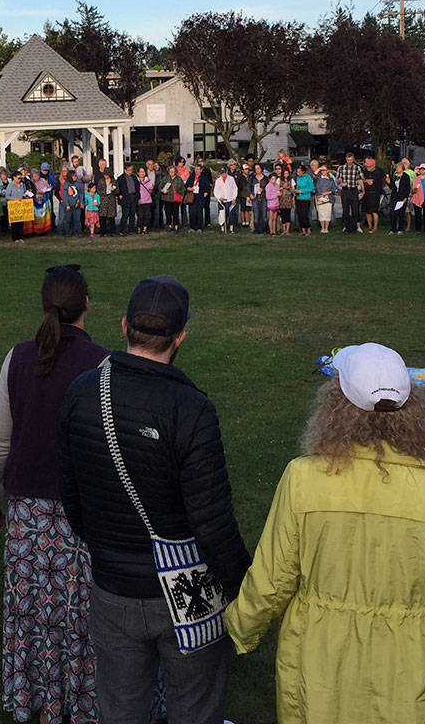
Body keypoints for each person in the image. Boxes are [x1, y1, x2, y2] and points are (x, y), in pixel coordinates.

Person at [228, 343, 425, 723]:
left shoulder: (304, 478)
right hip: (408, 670)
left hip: (320, 663)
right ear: (414, 408)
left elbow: (272, 577)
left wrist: (239, 629)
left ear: (335, 405)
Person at [58, 275, 251, 724]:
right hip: (187, 589)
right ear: (180, 337)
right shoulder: (191, 409)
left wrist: (108, 548)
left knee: (121, 711)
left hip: (113, 587)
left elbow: (72, 498)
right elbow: (213, 524)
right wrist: (246, 587)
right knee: (195, 710)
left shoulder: (81, 392)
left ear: (124, 327)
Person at [0, 267, 107, 724]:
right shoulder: (100, 363)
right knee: (77, 619)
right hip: (78, 514)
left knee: (37, 621)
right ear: (87, 305)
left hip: (36, 516)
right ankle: (76, 705)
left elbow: (2, 444)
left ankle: (45, 706)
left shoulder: (21, 358)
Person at [335, 151, 363, 234]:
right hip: (345, 190)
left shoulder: (357, 168)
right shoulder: (341, 168)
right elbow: (337, 180)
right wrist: (339, 182)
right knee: (345, 209)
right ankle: (346, 227)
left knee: (355, 209)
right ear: (346, 159)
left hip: (354, 190)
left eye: (351, 160)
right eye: (348, 160)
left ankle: (356, 227)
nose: (349, 162)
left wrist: (363, 191)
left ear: (353, 159)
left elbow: (361, 179)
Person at [361, 156, 384, 233]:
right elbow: (362, 180)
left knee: (374, 211)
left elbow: (373, 182)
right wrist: (366, 181)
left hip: (375, 193)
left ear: (373, 165)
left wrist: (367, 181)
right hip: (366, 193)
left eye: (369, 166)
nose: (367, 167)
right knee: (367, 211)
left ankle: (375, 227)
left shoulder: (378, 172)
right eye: (367, 165)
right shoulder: (365, 171)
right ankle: (370, 226)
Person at [313, 164, 335, 233]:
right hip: (320, 198)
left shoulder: (331, 180)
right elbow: (314, 176)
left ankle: (326, 228)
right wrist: (319, 169)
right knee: (321, 213)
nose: (323, 172)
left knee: (327, 213)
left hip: (328, 198)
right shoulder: (319, 178)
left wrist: (327, 193)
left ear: (327, 171)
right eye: (322, 170)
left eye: (324, 170)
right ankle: (322, 228)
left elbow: (334, 189)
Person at [293, 164, 313, 236]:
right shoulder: (298, 178)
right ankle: (303, 231)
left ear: (303, 171)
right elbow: (298, 186)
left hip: (306, 198)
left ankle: (308, 230)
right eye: (297, 172)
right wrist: (296, 191)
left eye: (299, 172)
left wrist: (302, 191)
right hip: (298, 198)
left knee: (305, 215)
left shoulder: (308, 177)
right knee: (300, 215)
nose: (298, 173)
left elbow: (311, 188)